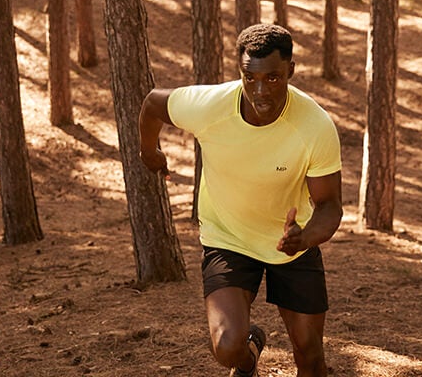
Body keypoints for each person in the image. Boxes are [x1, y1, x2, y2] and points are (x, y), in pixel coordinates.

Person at [139, 23, 342, 377]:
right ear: (240, 71)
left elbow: (329, 206)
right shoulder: (210, 106)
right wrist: (149, 152)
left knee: (310, 357)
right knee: (227, 347)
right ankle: (248, 355)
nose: (260, 91)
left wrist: (305, 238)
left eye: (273, 79)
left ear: (291, 71)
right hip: (228, 239)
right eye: (251, 78)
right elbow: (153, 103)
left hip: (291, 244)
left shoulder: (315, 126)